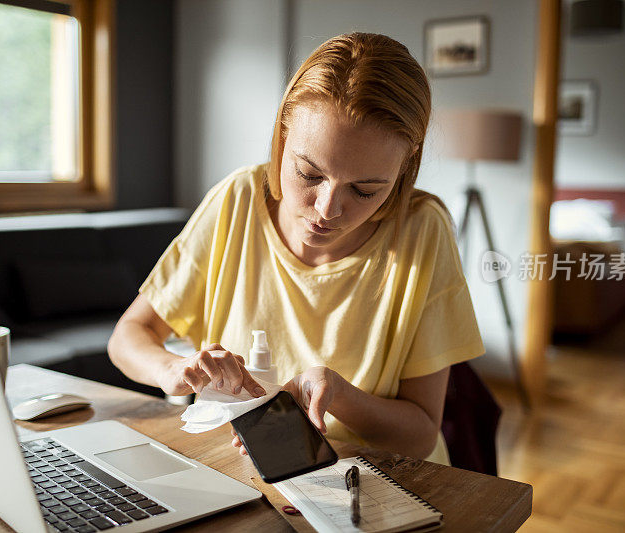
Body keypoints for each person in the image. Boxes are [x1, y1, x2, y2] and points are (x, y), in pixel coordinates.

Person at [108, 32, 484, 464]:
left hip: (371, 483)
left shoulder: (421, 231)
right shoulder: (237, 200)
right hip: (240, 468)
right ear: (282, 136)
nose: (327, 210)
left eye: (364, 190)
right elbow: (128, 336)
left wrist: (339, 395)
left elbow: (419, 438)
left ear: (405, 166)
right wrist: (171, 370)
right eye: (308, 174)